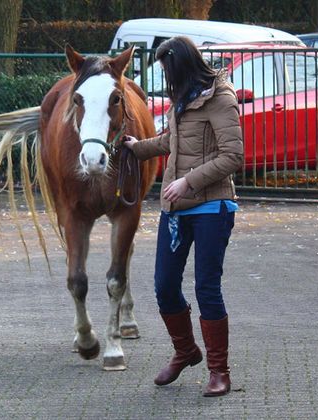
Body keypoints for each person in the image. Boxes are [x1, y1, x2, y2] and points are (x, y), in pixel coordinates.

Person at [123, 36, 245, 397]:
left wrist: (187, 181)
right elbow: (174, 142)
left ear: (183, 67)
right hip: (176, 210)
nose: (165, 78)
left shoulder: (220, 98)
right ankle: (185, 350)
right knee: (164, 285)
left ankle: (219, 371)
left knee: (206, 287)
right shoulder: (184, 98)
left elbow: (233, 156)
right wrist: (137, 149)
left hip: (212, 208)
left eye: (167, 71)